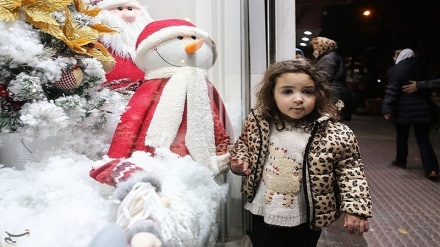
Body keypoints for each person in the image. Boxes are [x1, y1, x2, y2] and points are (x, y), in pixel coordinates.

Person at [229, 59, 372, 247]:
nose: (298, 99)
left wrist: (356, 209)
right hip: (263, 211)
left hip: (307, 218)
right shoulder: (260, 123)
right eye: (287, 91)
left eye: (307, 91)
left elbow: (351, 172)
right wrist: (239, 162)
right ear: (272, 94)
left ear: (318, 95)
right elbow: (244, 145)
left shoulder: (334, 132)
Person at [382, 48, 439, 180]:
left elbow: (392, 90)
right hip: (423, 108)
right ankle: (431, 169)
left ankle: (401, 161)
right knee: (423, 139)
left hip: (403, 109)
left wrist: (387, 108)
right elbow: (433, 83)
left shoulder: (396, 70)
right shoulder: (423, 67)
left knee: (402, 135)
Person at [89, 0, 154, 91]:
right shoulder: (98, 41)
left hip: (147, 91)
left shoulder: (150, 41)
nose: (129, 15)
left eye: (130, 8)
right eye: (119, 9)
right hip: (110, 94)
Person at [311, 37, 352, 121]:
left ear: (322, 47)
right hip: (336, 93)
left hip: (332, 94)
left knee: (329, 121)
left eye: (316, 49)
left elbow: (323, 77)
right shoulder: (333, 56)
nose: (314, 52)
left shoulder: (328, 58)